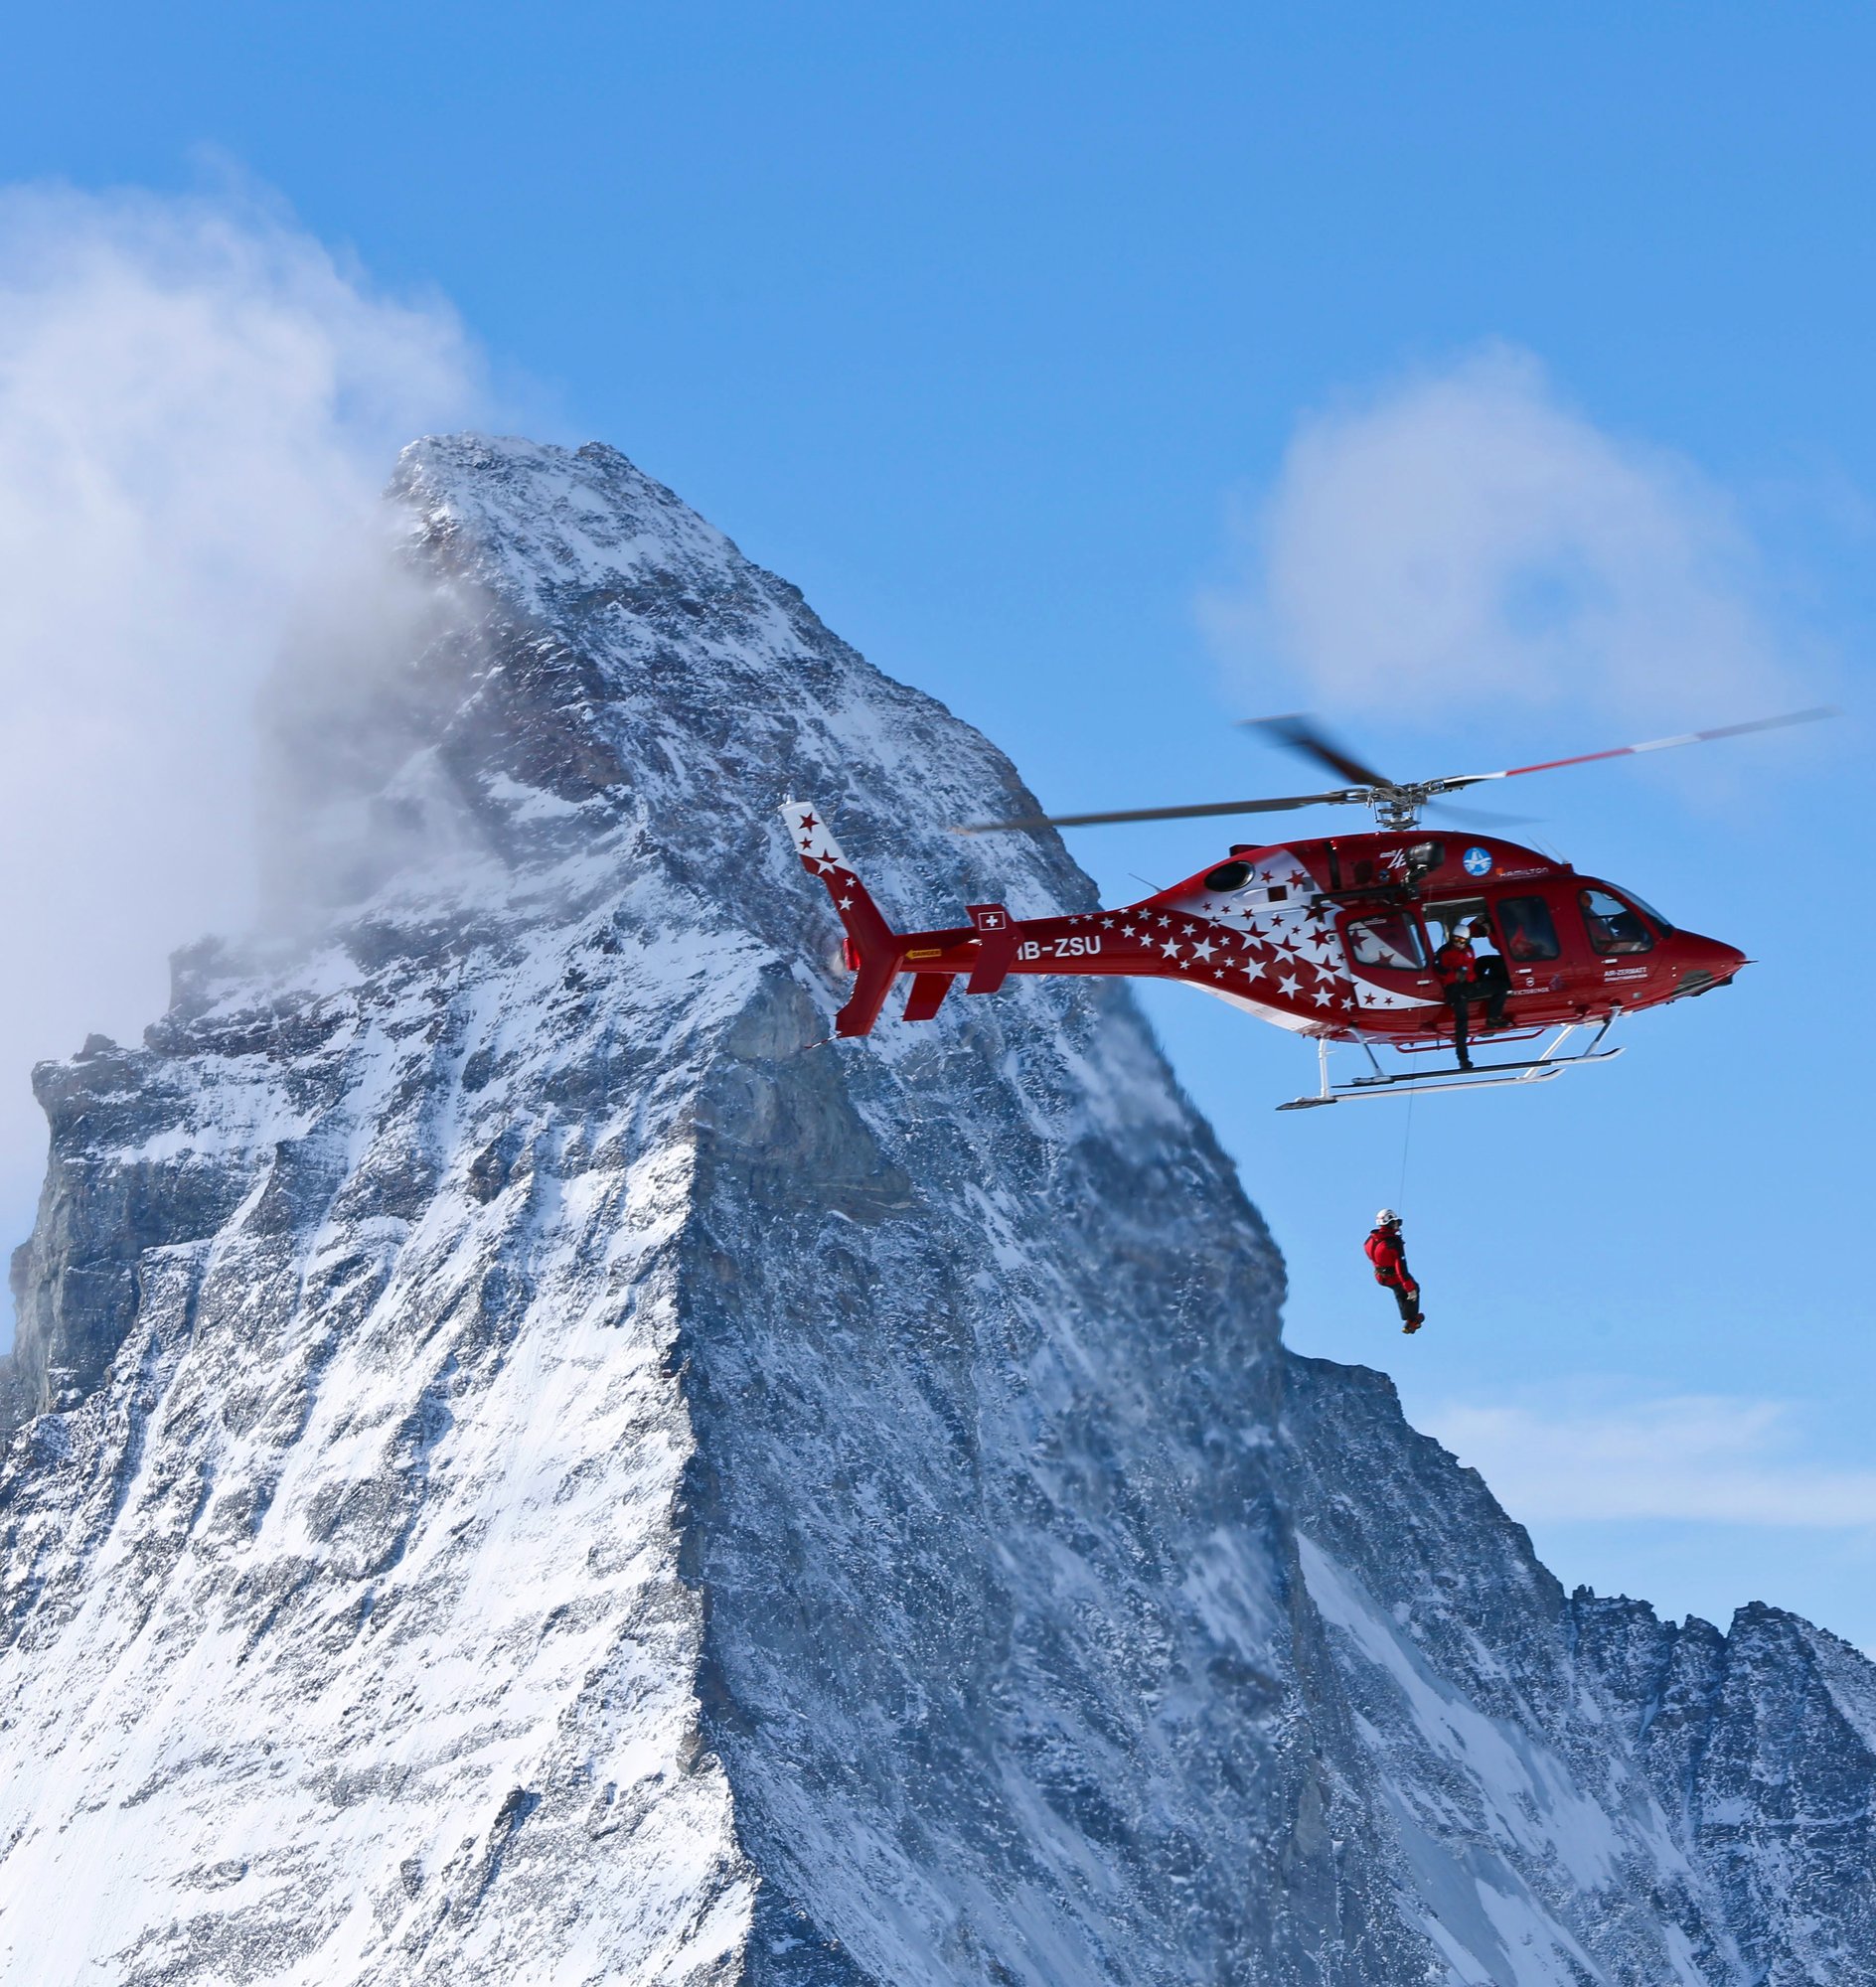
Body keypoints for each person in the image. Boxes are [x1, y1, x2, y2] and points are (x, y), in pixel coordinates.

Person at [1434, 917, 1508, 1069]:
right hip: (1455, 990)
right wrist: (1455, 975)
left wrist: (1483, 922)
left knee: (1502, 986)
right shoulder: (1444, 952)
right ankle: (1463, 1059)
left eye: (1462, 940)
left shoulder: (1469, 950)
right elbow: (1439, 970)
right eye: (1455, 940)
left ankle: (1493, 1017)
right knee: (1462, 1023)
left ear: (1467, 940)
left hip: (1470, 986)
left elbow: (1475, 930)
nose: (1458, 943)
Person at [1364, 1208, 1423, 1333]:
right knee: (1412, 1291)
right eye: (1396, 1222)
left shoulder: (1369, 1241)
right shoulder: (1393, 1244)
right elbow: (1401, 1268)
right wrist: (1410, 1288)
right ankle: (1411, 1320)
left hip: (1380, 1276)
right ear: (1390, 1223)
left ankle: (1408, 1317)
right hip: (1394, 1276)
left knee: (1398, 1291)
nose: (1398, 1225)